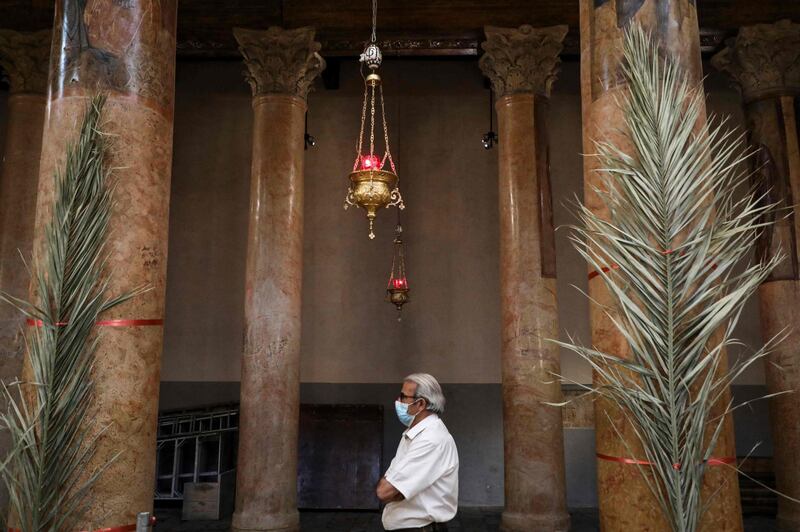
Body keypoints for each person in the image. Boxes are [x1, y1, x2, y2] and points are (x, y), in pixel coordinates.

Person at [376, 373, 459, 531]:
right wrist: (398, 488)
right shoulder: (413, 433)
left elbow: (385, 491)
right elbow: (392, 486)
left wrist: (397, 488)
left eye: (403, 396)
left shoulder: (430, 440)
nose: (398, 402)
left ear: (420, 404)